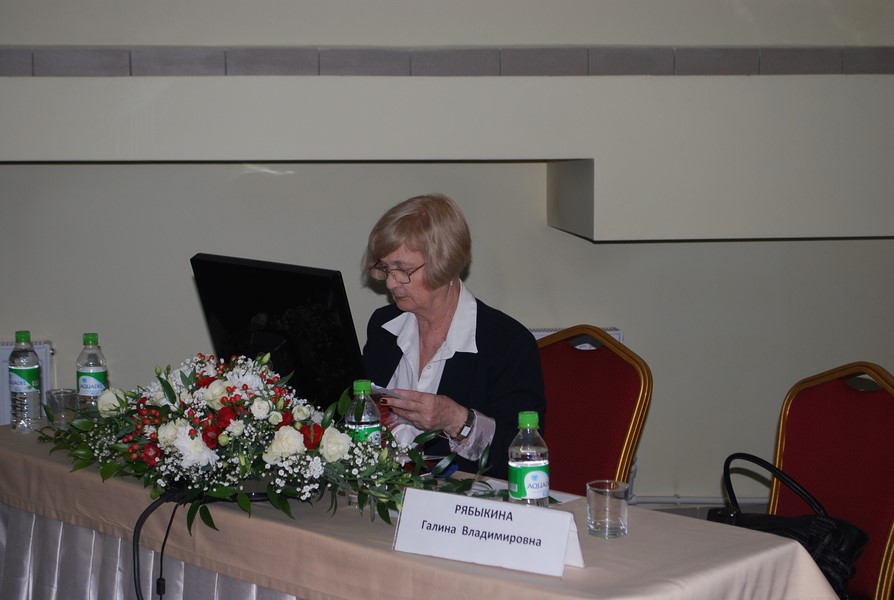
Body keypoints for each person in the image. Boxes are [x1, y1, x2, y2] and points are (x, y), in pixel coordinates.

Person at [362, 193, 545, 480]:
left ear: (445, 264)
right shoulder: (383, 327)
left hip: (464, 501)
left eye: (404, 270)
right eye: (385, 268)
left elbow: (521, 454)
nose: (391, 282)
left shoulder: (507, 343)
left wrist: (456, 420)